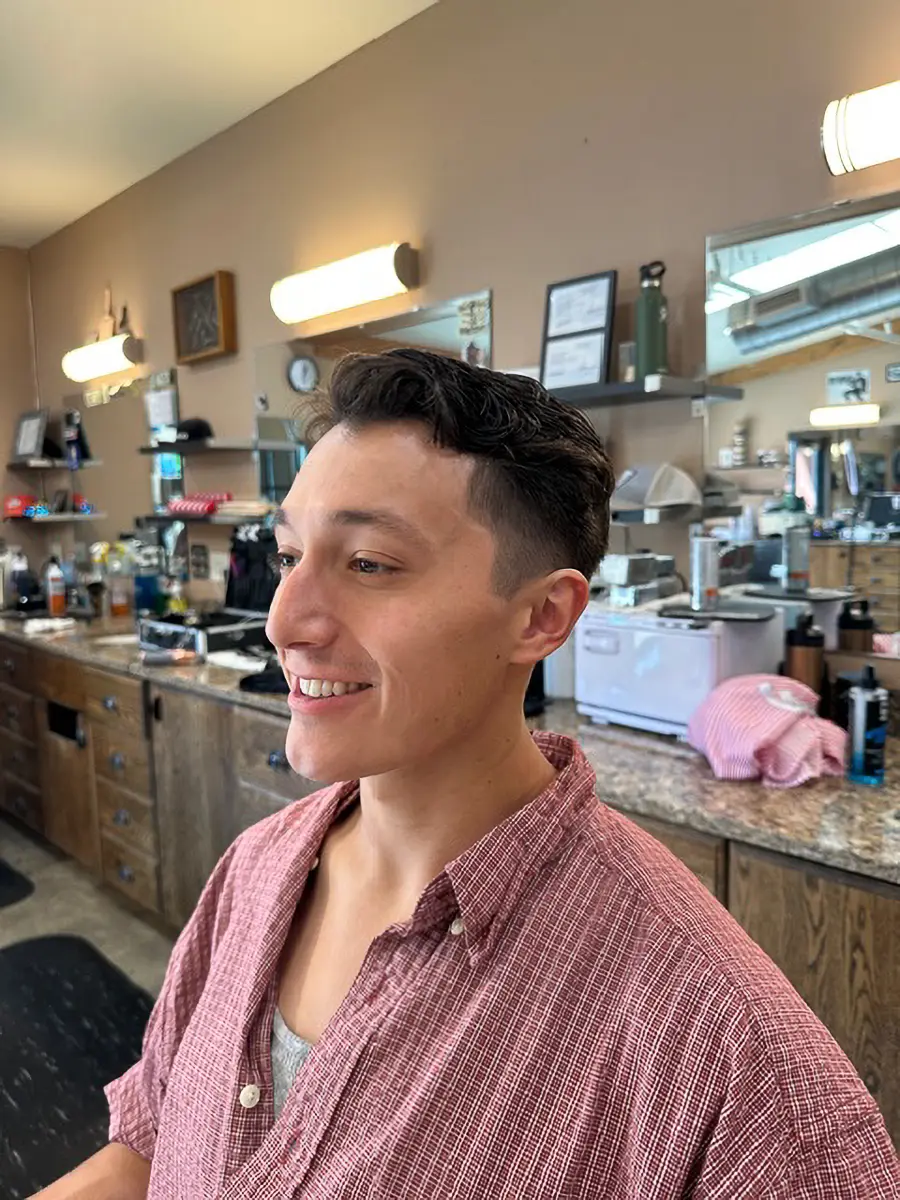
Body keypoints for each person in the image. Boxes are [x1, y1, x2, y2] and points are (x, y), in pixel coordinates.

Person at [37, 349, 899, 1198]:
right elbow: (147, 1150)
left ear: (542, 615)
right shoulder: (255, 871)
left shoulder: (733, 1063)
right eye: (291, 555)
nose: (284, 621)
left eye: (369, 563)